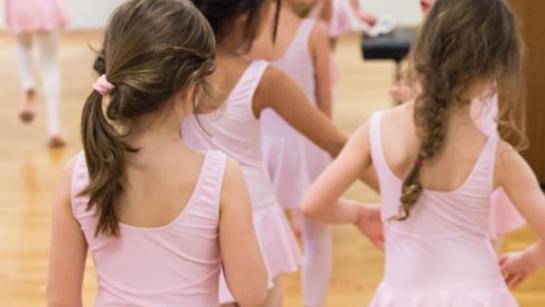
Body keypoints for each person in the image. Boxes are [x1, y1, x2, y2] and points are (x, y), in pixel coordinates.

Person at [302, 0, 545, 306]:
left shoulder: (376, 129)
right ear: (496, 70)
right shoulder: (500, 157)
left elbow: (312, 204)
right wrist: (531, 259)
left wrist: (359, 214)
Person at [47, 1, 267, 306]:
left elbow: (60, 300)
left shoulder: (78, 174)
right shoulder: (221, 177)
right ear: (191, 88)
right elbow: (253, 294)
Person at [185, 1, 383, 305]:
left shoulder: (175, 73)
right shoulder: (265, 80)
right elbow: (337, 143)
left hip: (192, 219)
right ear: (245, 17)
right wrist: (402, 193)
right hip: (252, 222)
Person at [390, 0, 526, 247]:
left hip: (472, 147)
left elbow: (446, 92)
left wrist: (413, 95)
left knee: (485, 228)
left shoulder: (470, 52)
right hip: (455, 153)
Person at [250, 1, 334, 306]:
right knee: (318, 238)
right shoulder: (314, 32)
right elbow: (324, 105)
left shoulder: (248, 35)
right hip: (309, 145)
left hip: (262, 146)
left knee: (264, 239)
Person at [5, 0, 69, 147]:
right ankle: (53, 128)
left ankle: (27, 83)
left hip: (19, 7)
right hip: (44, 6)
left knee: (23, 45)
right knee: (49, 65)